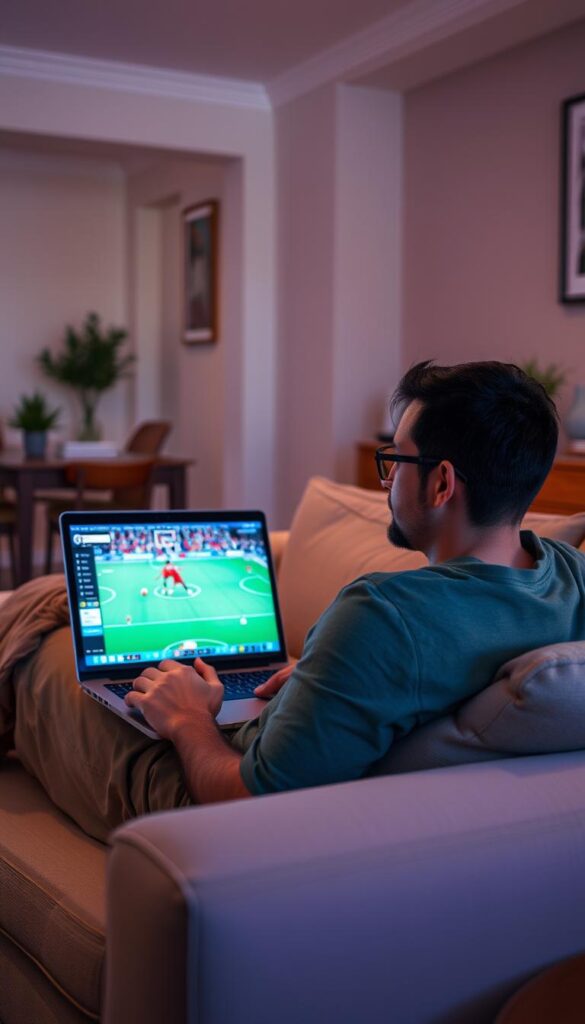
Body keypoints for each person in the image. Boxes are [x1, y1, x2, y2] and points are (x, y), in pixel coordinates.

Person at [4, 360, 585, 840]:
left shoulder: (383, 614)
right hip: (305, 734)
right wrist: (330, 676)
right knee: (55, 607)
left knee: (49, 646)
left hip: (210, 797)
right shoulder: (570, 576)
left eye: (395, 463)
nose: (387, 484)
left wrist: (187, 719)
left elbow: (250, 799)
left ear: (441, 483)